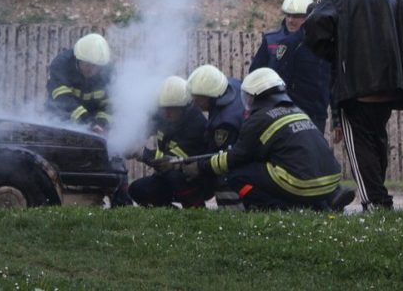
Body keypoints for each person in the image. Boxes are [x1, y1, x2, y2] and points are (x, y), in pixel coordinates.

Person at [304, 0, 403, 210]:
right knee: (377, 142)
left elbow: (314, 25)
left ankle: (374, 203)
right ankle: (381, 200)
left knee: (360, 147)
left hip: (356, 88)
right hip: (389, 87)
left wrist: (335, 52)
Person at [182, 68, 355, 211]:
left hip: (301, 182)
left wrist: (200, 166)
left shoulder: (259, 119)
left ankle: (283, 208)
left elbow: (236, 157)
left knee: (237, 175)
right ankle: (321, 205)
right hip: (331, 178)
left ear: (255, 96)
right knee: (270, 171)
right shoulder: (296, 110)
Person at [249, 0, 331, 132]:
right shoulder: (271, 40)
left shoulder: (320, 43)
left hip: (313, 112)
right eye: (288, 15)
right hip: (277, 112)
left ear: (308, 17)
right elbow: (255, 73)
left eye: (297, 16)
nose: (291, 20)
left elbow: (326, 78)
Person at [128, 76, 213, 208]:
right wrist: (129, 141)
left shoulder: (197, 125)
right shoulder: (162, 114)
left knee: (174, 175)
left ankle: (195, 209)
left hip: (195, 179)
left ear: (186, 108)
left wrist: (141, 153)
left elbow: (170, 161)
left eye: (172, 109)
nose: (166, 114)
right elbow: (144, 129)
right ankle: (169, 211)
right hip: (167, 175)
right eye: (164, 109)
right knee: (137, 189)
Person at [186, 64, 246, 208]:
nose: (194, 104)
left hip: (241, 164)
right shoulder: (231, 86)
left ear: (213, 98)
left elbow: (222, 158)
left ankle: (232, 213)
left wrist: (199, 167)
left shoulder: (225, 123)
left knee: (222, 177)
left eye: (199, 100)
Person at [46, 32, 113, 133]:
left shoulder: (109, 74)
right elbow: (62, 100)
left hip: (93, 127)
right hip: (59, 121)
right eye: (87, 65)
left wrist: (101, 123)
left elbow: (110, 106)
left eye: (97, 67)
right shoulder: (62, 65)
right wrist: (87, 122)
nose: (92, 70)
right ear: (77, 59)